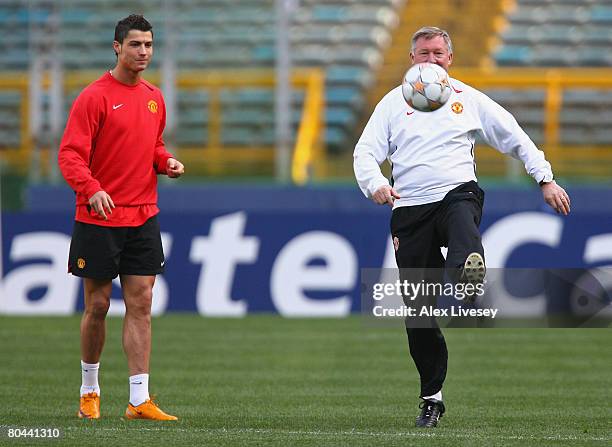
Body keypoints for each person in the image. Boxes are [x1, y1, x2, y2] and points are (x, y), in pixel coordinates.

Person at [353, 26, 571, 428]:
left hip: (456, 193)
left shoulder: (468, 99)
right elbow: (365, 152)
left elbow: (514, 136)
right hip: (409, 208)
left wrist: (545, 178)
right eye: (423, 53)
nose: (431, 60)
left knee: (462, 222)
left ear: (449, 59)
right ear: (411, 59)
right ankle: (432, 397)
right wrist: (376, 185)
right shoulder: (390, 104)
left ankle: (466, 276)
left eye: (438, 53)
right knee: (418, 313)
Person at [58, 14, 184, 421]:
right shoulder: (94, 97)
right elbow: (70, 154)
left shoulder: (153, 97)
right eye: (135, 45)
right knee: (97, 305)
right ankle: (89, 390)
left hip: (143, 214)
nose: (143, 52)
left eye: (148, 45)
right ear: (117, 47)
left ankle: (138, 399)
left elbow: (153, 145)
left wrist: (166, 161)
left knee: (142, 302)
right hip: (99, 217)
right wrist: (91, 189)